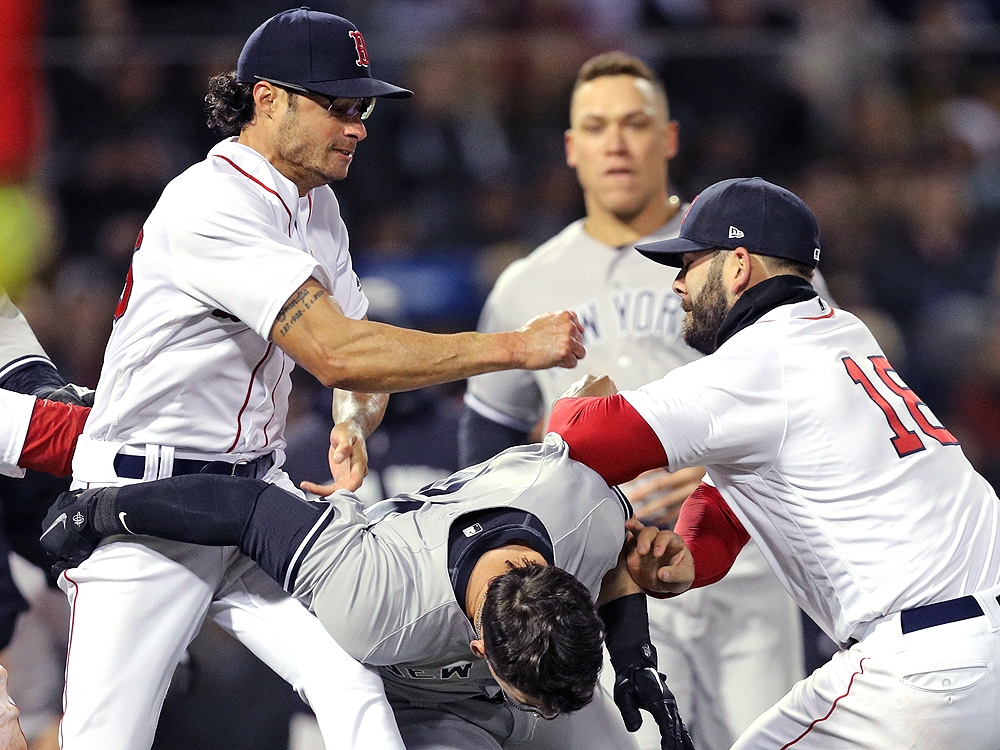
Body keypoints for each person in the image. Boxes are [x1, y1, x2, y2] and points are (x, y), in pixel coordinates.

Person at [56, 8, 585, 750]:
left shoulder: (317, 203)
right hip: (150, 505)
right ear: (267, 98)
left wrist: (350, 420)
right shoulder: (211, 202)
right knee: (103, 741)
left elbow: (355, 364)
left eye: (362, 106)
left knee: (353, 684)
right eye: (338, 104)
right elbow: (338, 351)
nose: (358, 124)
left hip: (255, 498)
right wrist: (512, 348)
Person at [547, 176, 1000, 749]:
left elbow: (583, 436)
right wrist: (688, 560)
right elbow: (749, 488)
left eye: (688, 262)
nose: (679, 284)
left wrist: (577, 393)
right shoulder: (844, 330)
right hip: (974, 640)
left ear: (738, 265)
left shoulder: (760, 360)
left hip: (926, 664)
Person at [38, 384, 693, 750]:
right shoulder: (379, 607)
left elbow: (612, 566)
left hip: (475, 648)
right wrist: (107, 509)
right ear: (477, 646)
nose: (545, 712)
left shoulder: (582, 509)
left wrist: (632, 658)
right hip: (418, 696)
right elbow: (245, 508)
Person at [461, 51, 803, 749]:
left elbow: (812, 395)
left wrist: (716, 472)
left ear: (669, 138)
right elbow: (483, 450)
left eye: (634, 123)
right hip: (611, 579)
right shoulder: (526, 284)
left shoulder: (744, 256)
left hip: (744, 562)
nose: (615, 142)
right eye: (595, 126)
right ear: (571, 148)